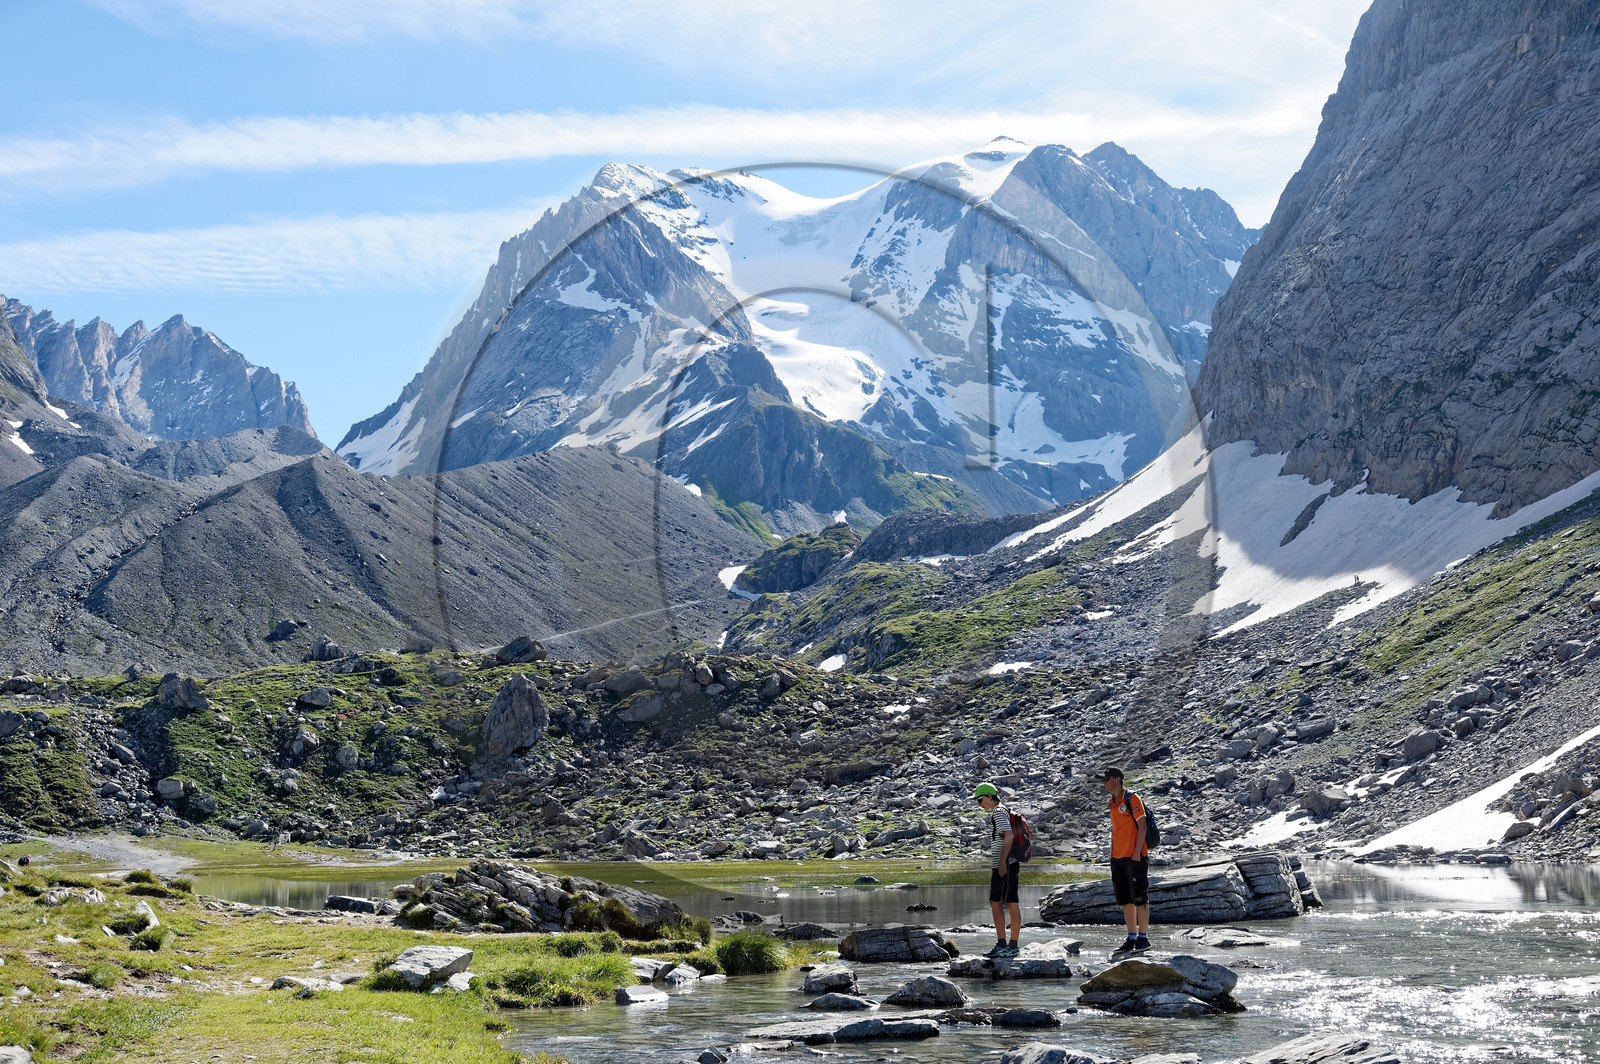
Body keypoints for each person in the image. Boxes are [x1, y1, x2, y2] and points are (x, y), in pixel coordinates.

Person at [1100, 767, 1150, 953]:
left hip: (1134, 856)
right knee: (1125, 900)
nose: (1104, 782)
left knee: (1140, 897)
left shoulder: (1132, 798)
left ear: (1118, 779)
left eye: (1107, 779)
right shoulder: (1112, 802)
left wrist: (1137, 853)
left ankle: (1143, 938)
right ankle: (1131, 937)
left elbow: (1142, 826)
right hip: (1117, 857)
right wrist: (1113, 853)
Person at [974, 781, 1021, 957]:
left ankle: (1005, 945)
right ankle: (1011, 945)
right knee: (1009, 902)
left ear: (988, 796)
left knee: (999, 903)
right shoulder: (1004, 810)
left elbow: (1008, 836)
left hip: (1005, 864)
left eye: (980, 800)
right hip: (1010, 863)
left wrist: (1001, 861)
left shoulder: (999, 812)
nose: (979, 805)